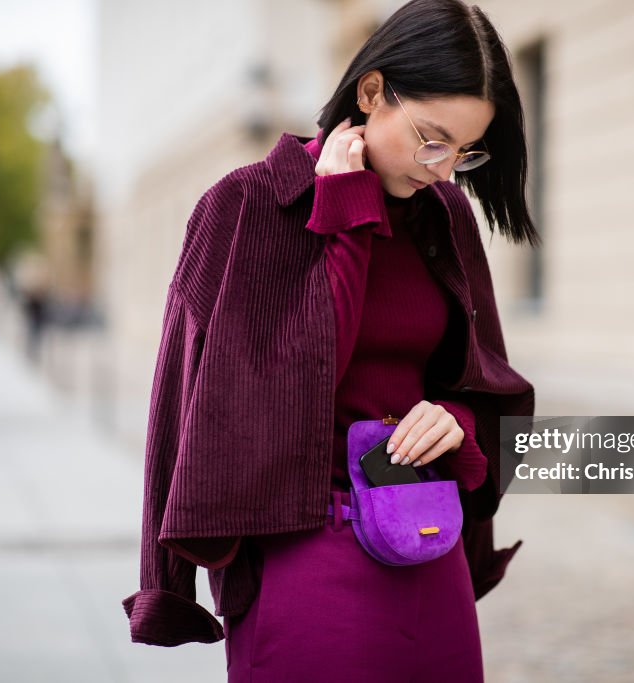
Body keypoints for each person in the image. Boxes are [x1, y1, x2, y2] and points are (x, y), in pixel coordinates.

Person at [121, 1, 538, 680]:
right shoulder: (245, 206)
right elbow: (203, 400)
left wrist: (455, 421)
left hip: (425, 535)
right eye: (432, 138)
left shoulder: (444, 215)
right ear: (372, 92)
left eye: (466, 151)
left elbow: (485, 379)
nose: (443, 168)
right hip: (298, 552)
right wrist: (346, 220)